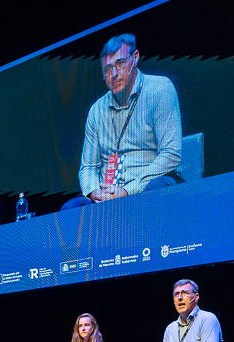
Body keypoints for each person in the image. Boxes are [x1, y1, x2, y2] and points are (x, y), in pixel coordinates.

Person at [61, 33, 183, 211]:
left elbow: (171, 154)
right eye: (108, 69)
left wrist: (127, 191)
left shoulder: (160, 90)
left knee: (155, 191)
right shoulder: (97, 110)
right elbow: (88, 167)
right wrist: (96, 193)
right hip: (107, 194)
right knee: (71, 208)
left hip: (147, 186)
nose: (114, 74)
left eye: (120, 64)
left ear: (135, 58)